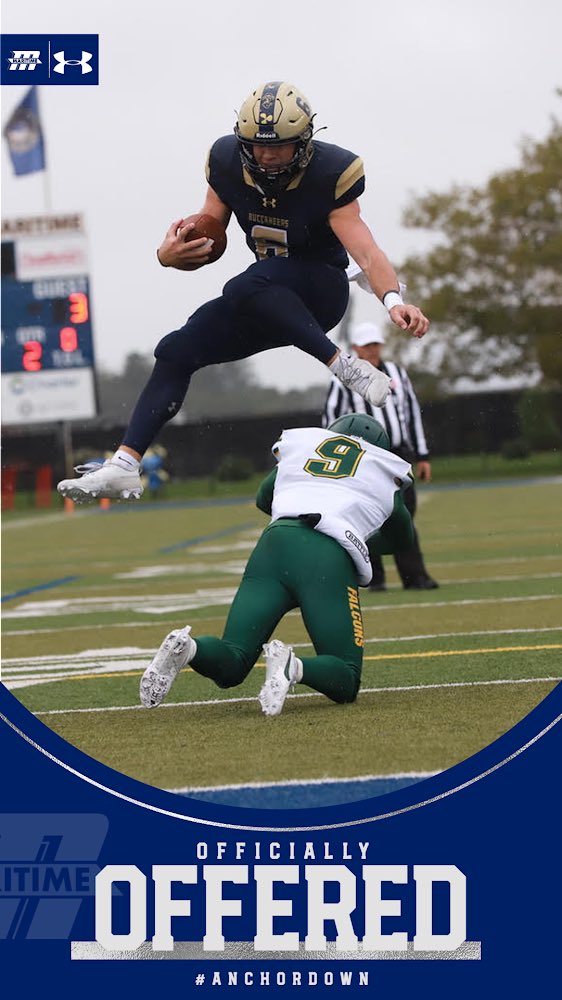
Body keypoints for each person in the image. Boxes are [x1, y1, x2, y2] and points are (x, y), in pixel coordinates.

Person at [57, 80, 429, 503]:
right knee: (176, 349)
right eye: (256, 145)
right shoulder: (227, 162)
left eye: (279, 146)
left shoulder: (331, 173)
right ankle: (124, 465)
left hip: (319, 292)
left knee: (245, 283)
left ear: (305, 143)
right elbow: (209, 230)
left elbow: (365, 250)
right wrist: (169, 254)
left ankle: (343, 365)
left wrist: (393, 301)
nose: (267, 155)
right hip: (266, 299)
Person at [139, 414, 414, 716]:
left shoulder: (307, 451)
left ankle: (188, 647)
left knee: (233, 660)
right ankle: (292, 666)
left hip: (274, 545)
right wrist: (357, 540)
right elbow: (403, 538)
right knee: (346, 677)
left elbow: (263, 497)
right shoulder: (380, 470)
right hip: (325, 558)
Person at [323, 321, 438, 591]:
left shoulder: (397, 373)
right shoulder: (342, 380)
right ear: (355, 349)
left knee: (404, 516)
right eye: (367, 346)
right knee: (367, 518)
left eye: (376, 344)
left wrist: (422, 455)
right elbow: (330, 421)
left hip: (397, 455)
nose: (373, 350)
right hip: (364, 460)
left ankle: (415, 577)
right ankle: (374, 579)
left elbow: (411, 414)